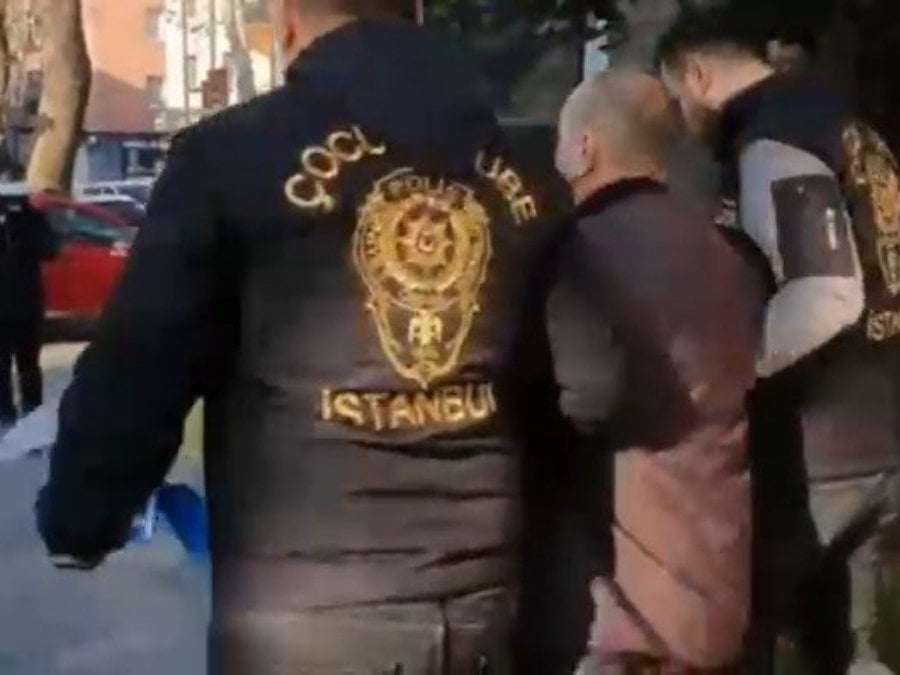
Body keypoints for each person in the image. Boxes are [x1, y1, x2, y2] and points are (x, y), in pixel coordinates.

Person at [36, 1, 568, 672]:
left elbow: (140, 367)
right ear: (417, 12)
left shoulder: (230, 155)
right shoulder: (528, 172)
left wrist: (81, 519)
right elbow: (574, 383)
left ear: (287, 21)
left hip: (306, 619)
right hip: (481, 609)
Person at [656, 11, 900, 675]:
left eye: (678, 101)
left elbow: (826, 293)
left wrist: (730, 368)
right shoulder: (840, 122)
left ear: (697, 75)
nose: (684, 122)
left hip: (812, 453)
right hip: (876, 428)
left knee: (762, 644)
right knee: (855, 653)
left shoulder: (773, 140)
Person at [544, 69, 764, 674]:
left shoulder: (582, 250)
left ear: (582, 148)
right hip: (717, 573)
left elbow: (580, 405)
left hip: (626, 605)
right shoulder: (725, 252)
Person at [0, 191, 56, 430]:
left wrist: (24, 225)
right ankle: (5, 414)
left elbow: (50, 250)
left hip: (27, 306)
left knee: (29, 366)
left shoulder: (30, 217)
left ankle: (32, 414)